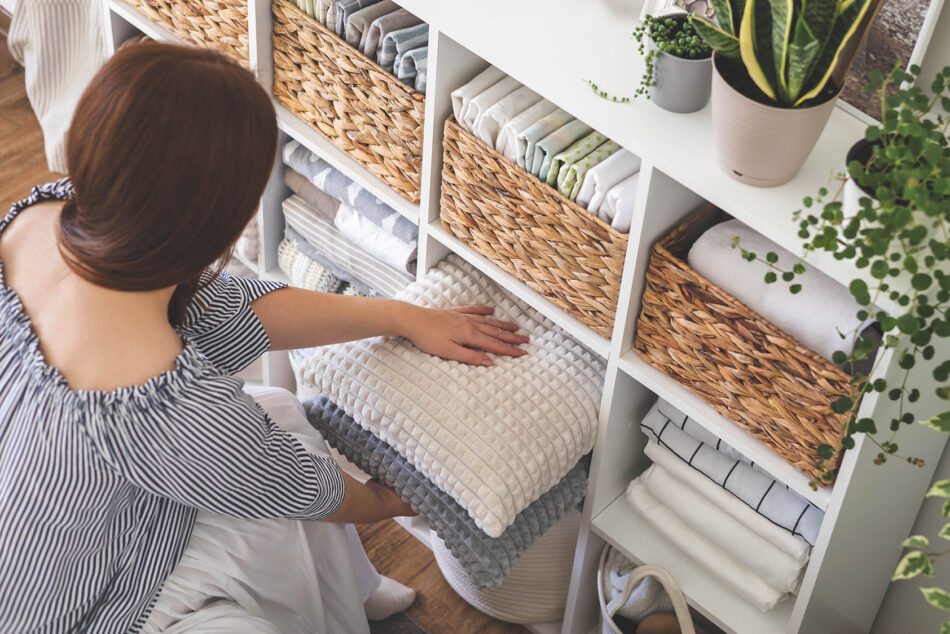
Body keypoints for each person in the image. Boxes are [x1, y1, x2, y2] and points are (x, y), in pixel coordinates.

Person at [0, 41, 529, 633]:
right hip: (70, 607)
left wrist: (401, 316)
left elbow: (242, 312)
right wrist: (392, 498)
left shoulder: (38, 221)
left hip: (61, 541)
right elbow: (299, 487)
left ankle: (354, 596)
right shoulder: (166, 404)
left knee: (279, 412)